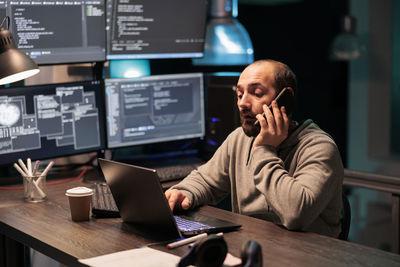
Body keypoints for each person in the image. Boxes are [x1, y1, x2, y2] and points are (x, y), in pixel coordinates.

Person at [165, 59, 344, 238]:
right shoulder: (239, 139)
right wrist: (184, 192)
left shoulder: (319, 147)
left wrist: (265, 149)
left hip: (309, 255)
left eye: (256, 93)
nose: (243, 103)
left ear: (286, 99)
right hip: (253, 243)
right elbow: (207, 181)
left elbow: (296, 214)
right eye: (240, 94)